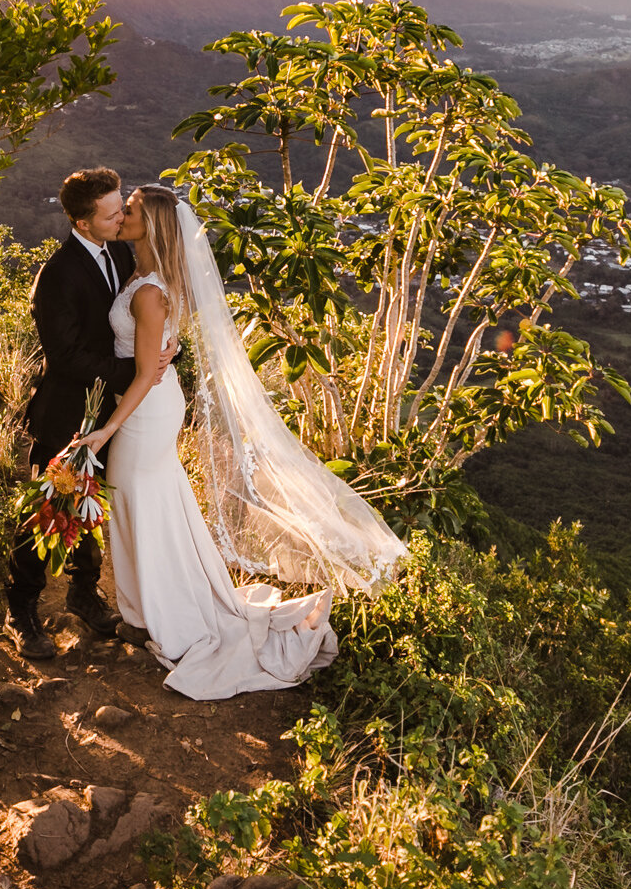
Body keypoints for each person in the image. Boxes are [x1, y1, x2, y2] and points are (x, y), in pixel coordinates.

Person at [77, 184, 406, 701]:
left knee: (140, 505)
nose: (123, 216)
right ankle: (143, 612)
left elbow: (143, 375)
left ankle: (159, 616)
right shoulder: (144, 275)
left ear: (154, 225)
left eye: (132, 210)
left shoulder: (147, 291)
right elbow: (159, 347)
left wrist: (106, 430)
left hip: (145, 410)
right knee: (150, 506)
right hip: (152, 403)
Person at [6, 167, 172, 661]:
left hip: (115, 408)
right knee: (49, 507)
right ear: (83, 223)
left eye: (122, 206)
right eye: (112, 212)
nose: (122, 215)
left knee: (92, 504)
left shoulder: (122, 250)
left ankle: (83, 590)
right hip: (66, 410)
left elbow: (146, 318)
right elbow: (66, 356)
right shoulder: (57, 275)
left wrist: (164, 353)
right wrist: (135, 370)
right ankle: (22, 608)